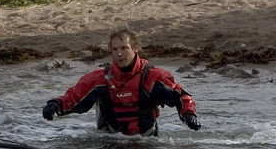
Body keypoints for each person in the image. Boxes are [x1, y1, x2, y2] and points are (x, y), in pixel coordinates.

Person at [41, 25, 200, 135]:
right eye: (115, 49)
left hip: (145, 139)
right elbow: (74, 98)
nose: (119, 54)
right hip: (110, 140)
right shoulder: (100, 79)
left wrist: (189, 116)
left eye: (124, 48)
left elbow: (181, 96)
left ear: (135, 49)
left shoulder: (154, 77)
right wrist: (55, 105)